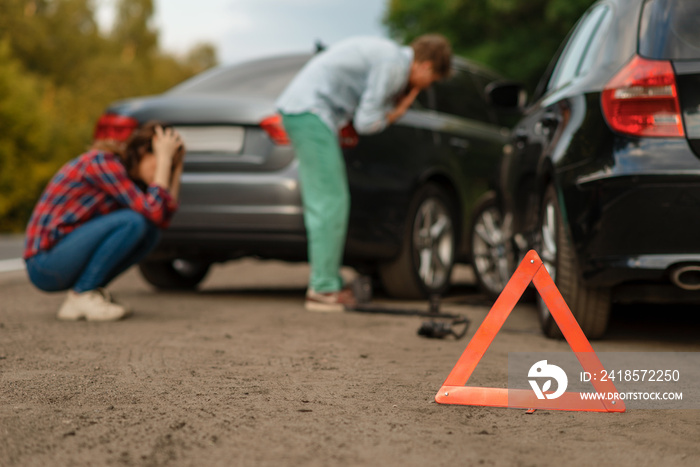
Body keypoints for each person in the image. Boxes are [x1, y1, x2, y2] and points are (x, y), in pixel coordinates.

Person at [276, 34, 452, 312]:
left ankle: (326, 281)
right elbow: (366, 122)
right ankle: (323, 289)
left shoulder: (388, 54)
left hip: (304, 110)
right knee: (330, 202)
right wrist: (397, 112)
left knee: (323, 201)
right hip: (311, 112)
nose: (427, 86)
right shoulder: (394, 65)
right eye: (431, 81)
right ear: (426, 66)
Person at [23, 121, 185, 321]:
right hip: (44, 264)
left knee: (151, 232)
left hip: (64, 258)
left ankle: (86, 294)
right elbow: (154, 212)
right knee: (134, 222)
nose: (164, 172)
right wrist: (165, 159)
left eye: (168, 167)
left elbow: (162, 219)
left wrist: (176, 168)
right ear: (143, 151)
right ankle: (82, 293)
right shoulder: (105, 163)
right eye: (161, 162)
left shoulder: (132, 182)